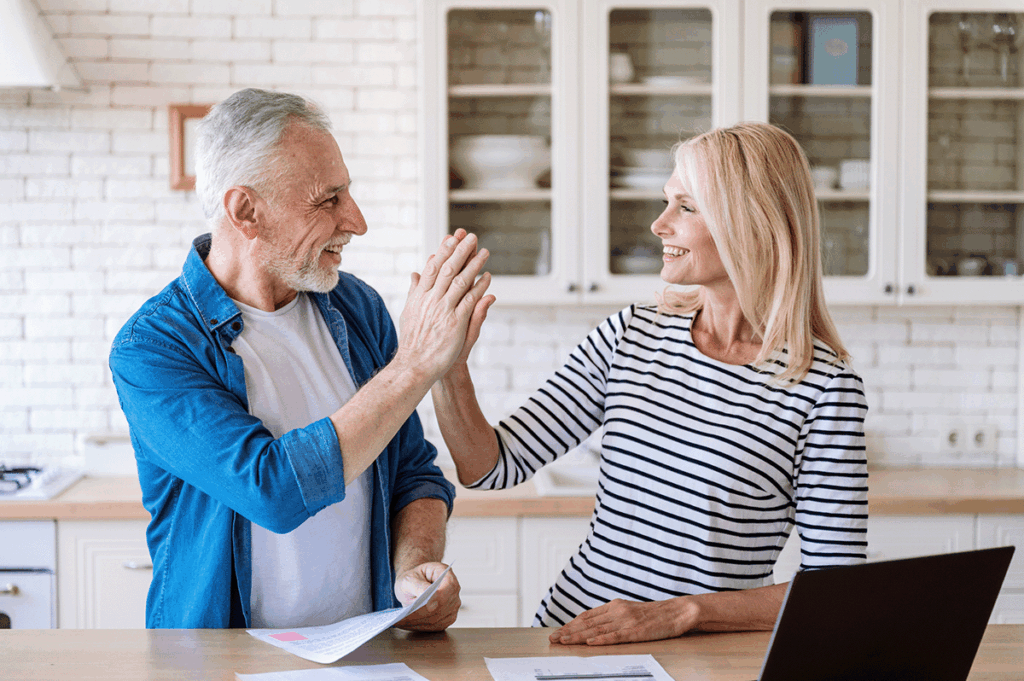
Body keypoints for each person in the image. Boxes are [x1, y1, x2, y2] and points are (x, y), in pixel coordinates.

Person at [431, 122, 868, 645]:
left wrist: (683, 612)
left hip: (699, 660)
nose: (659, 225)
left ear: (751, 223)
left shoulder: (823, 388)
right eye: (667, 202)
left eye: (686, 207)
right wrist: (447, 367)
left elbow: (836, 594)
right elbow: (491, 468)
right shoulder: (631, 335)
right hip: (572, 639)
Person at [109, 88, 493, 630]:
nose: (356, 221)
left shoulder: (357, 308)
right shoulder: (154, 347)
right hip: (219, 660)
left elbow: (412, 471)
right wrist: (415, 365)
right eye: (327, 199)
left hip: (362, 653)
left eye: (348, 194)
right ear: (246, 211)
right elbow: (272, 491)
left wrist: (412, 570)